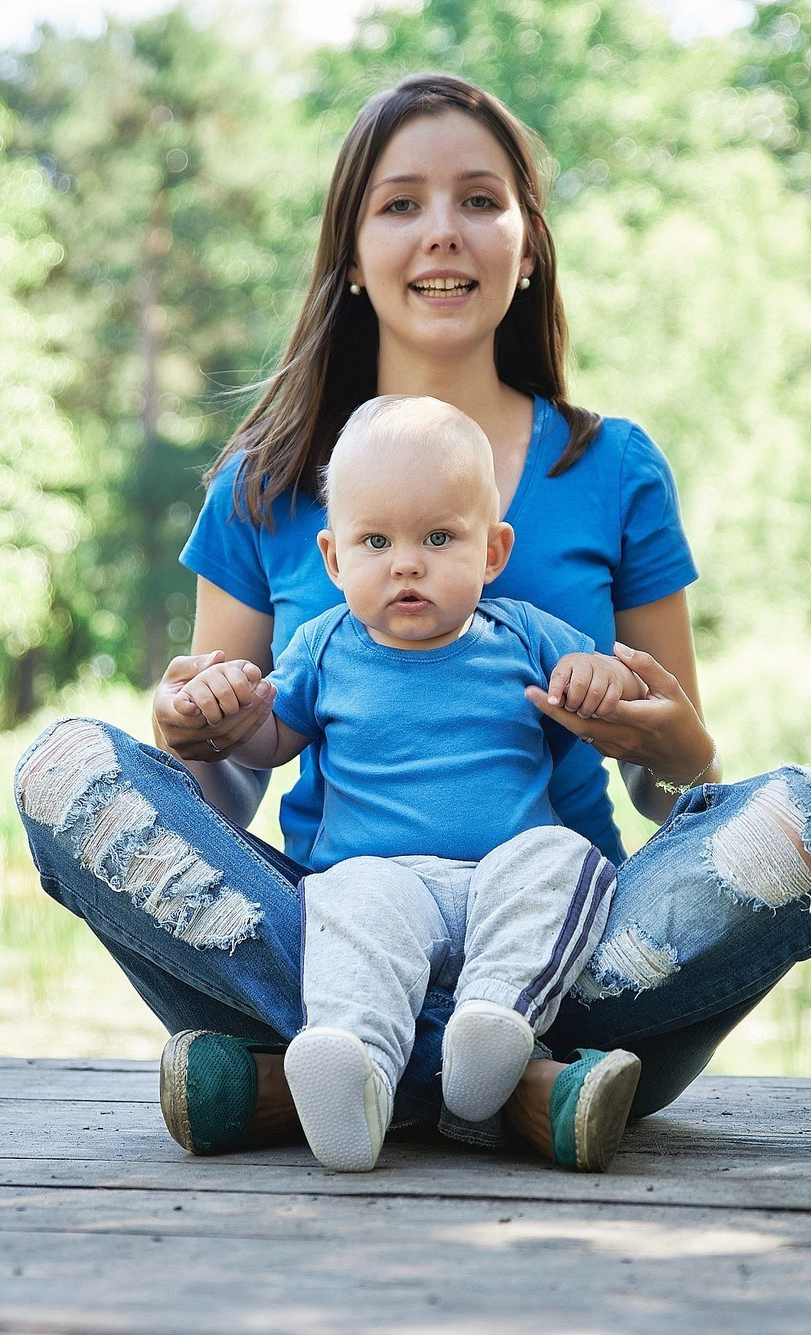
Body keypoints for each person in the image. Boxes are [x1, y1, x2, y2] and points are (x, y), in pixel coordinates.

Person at [13, 71, 811, 1173]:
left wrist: (675, 749)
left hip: (568, 934)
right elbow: (226, 789)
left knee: (809, 821)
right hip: (342, 926)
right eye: (401, 203)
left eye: (479, 199)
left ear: (528, 242)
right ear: (350, 253)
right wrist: (193, 734)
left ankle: (314, 1080)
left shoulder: (612, 468)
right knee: (68, 773)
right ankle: (517, 1088)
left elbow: (672, 795)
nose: (442, 232)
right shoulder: (264, 483)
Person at [181, 394, 647, 1172]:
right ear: (334, 559)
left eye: (438, 538)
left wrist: (601, 678)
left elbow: (616, 694)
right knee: (348, 903)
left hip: (503, 884)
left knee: (564, 859)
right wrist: (229, 712)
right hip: (381, 880)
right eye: (376, 541)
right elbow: (269, 740)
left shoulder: (524, 633)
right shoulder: (323, 646)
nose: (406, 563)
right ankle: (353, 1067)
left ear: (492, 551)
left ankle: (494, 1023)